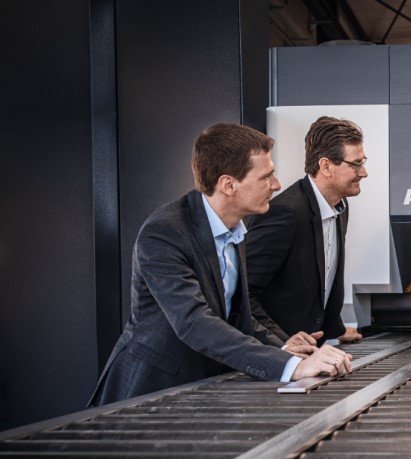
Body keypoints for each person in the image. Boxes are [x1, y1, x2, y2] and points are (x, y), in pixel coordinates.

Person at [90, 123, 352, 406]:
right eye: (266, 177)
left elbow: (236, 315)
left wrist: (285, 347)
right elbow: (194, 322)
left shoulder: (234, 229)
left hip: (200, 389)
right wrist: (291, 367)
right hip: (149, 392)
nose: (276, 185)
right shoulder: (164, 233)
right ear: (228, 184)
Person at [245, 116, 366, 347]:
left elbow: (321, 279)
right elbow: (243, 293)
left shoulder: (340, 206)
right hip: (279, 353)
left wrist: (335, 328)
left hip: (313, 347)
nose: (363, 172)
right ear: (326, 166)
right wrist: (282, 342)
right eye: (356, 164)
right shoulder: (285, 213)